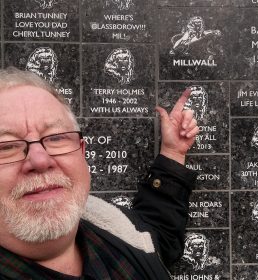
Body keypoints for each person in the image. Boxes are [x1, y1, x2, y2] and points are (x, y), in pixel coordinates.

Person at [0, 67, 199, 279]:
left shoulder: (117, 230)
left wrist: (173, 153)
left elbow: (157, 241)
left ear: (82, 152)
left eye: (56, 138)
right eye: (5, 146)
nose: (40, 160)